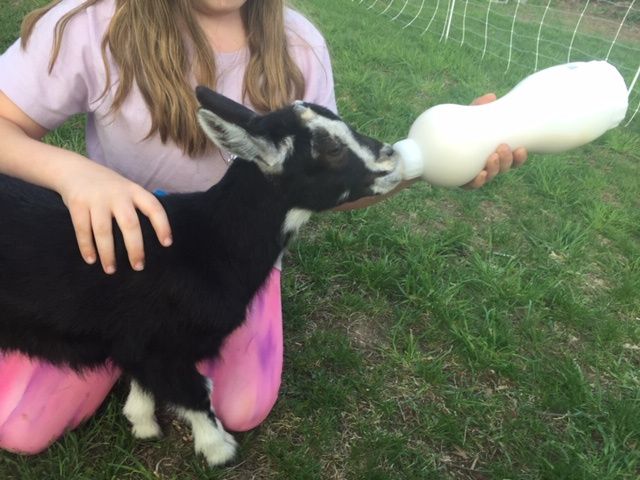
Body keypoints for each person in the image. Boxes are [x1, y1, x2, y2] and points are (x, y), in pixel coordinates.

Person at [0, 0, 527, 453]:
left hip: (221, 266)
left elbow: (322, 182)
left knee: (241, 407)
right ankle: (136, 346)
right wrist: (74, 174)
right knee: (19, 429)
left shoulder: (300, 46)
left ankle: (144, 352)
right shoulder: (91, 23)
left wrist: (434, 161)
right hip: (111, 261)